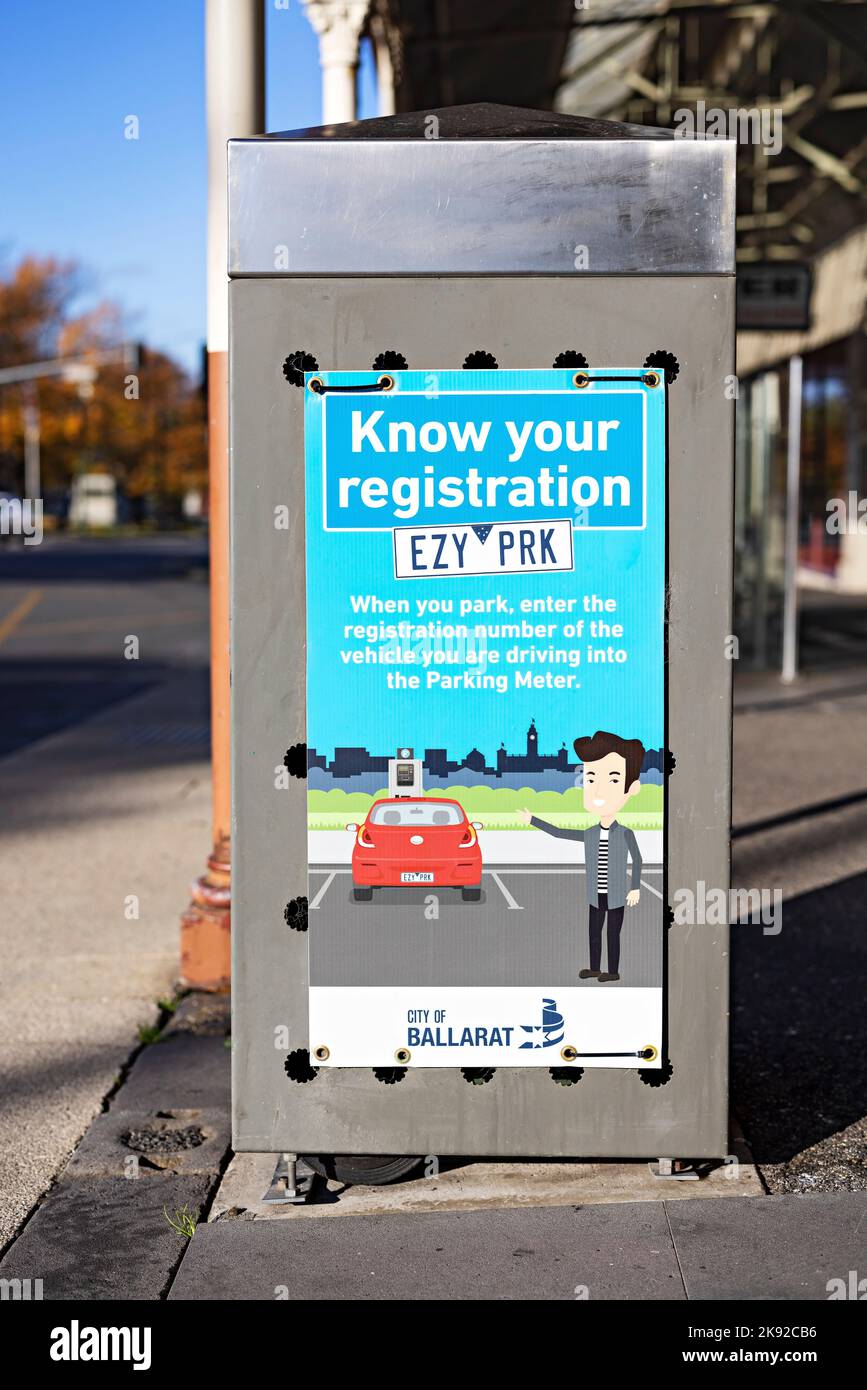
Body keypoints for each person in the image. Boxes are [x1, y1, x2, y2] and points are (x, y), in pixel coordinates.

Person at [518, 730, 644, 982]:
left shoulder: (625, 833)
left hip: (617, 893)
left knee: (613, 934)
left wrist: (635, 888)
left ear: (632, 788)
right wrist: (533, 820)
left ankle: (613, 971)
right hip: (595, 894)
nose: (598, 792)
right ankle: (595, 967)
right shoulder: (590, 833)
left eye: (613, 781)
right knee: (594, 932)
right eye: (590, 780)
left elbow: (638, 859)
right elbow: (559, 832)